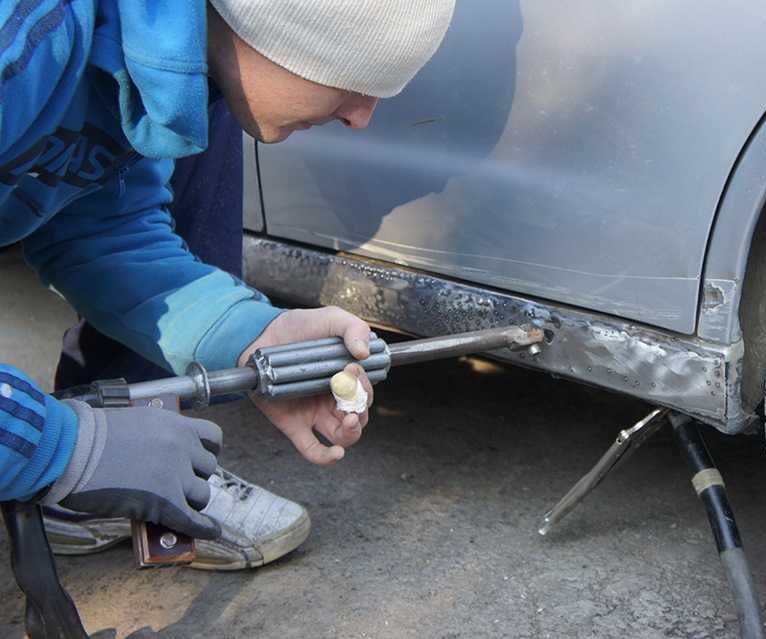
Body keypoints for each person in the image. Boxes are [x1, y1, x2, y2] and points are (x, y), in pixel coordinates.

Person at [0, 0, 455, 568]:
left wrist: (253, 334)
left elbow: (102, 232)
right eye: (351, 76)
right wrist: (61, 448)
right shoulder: (22, 41)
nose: (362, 117)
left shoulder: (156, 72)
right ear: (270, 27)